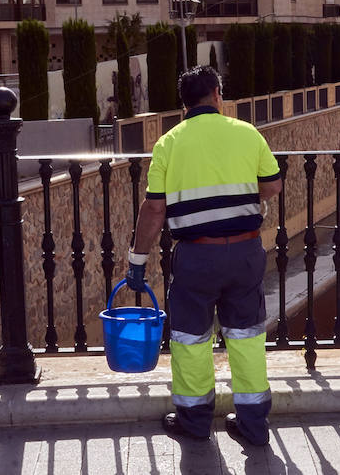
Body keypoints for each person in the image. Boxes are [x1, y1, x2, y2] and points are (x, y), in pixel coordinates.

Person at [126, 65, 282, 446]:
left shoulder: (168, 143)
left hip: (196, 257)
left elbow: (154, 210)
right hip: (246, 250)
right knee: (246, 336)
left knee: (190, 338)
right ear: (216, 94)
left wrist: (137, 259)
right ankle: (253, 425)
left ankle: (195, 423)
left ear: (184, 104)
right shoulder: (247, 133)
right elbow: (273, 185)